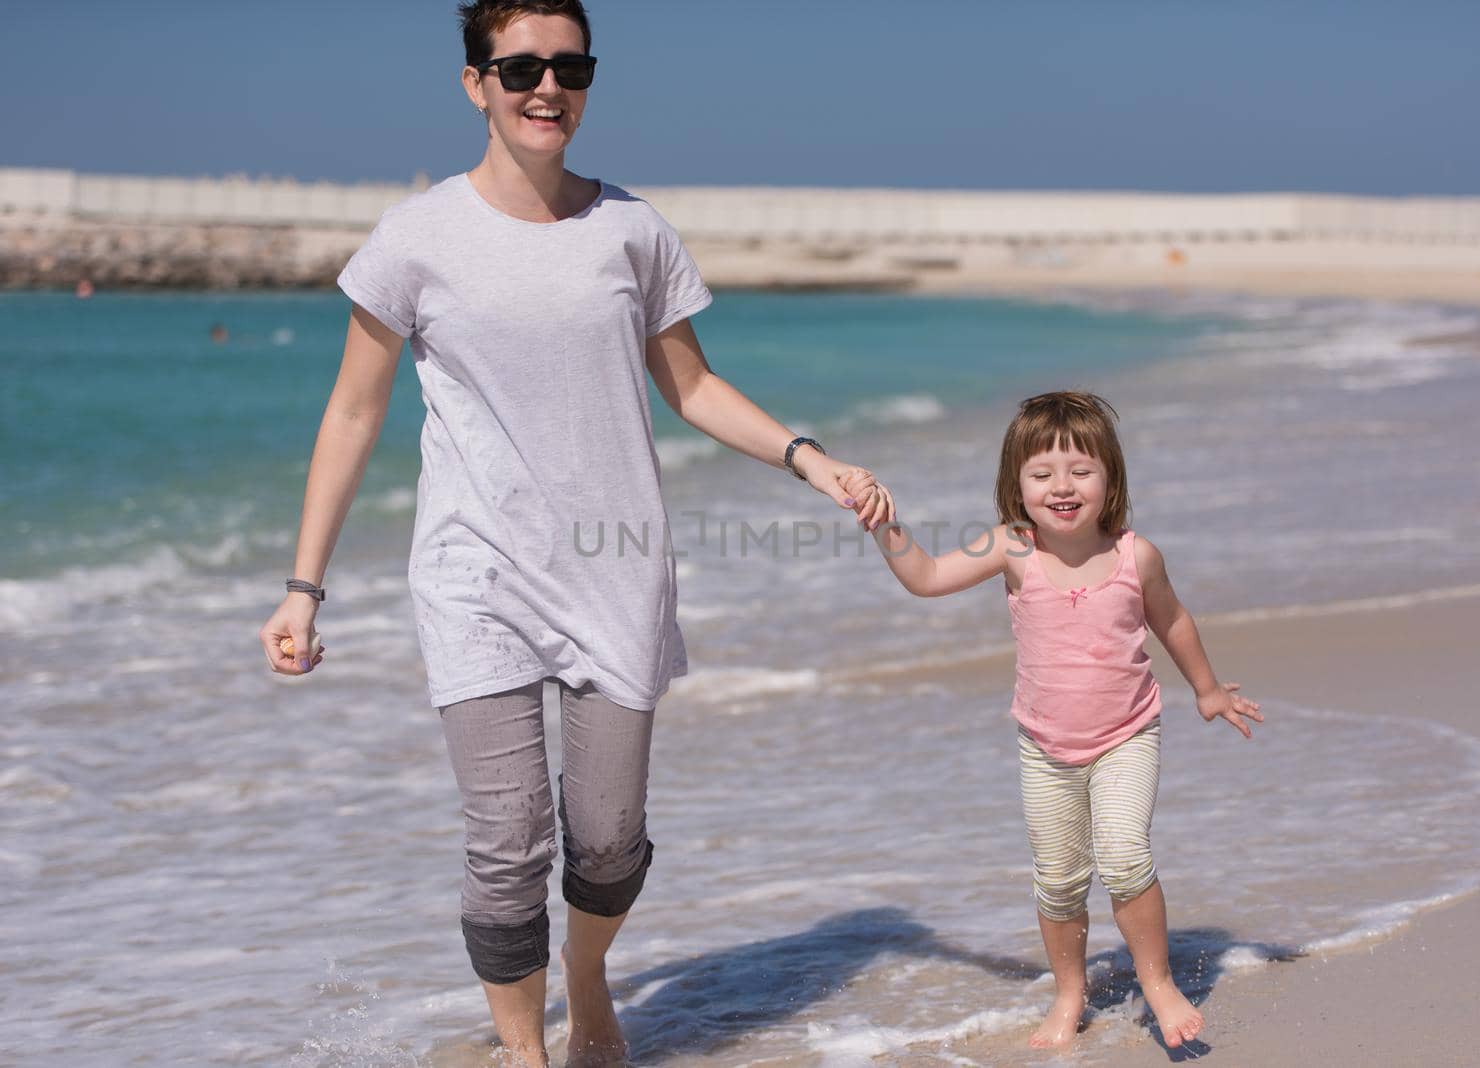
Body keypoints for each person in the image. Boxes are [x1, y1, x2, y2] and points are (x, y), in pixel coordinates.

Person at [255, 2, 890, 1065]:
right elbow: (353, 411)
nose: (546, 86)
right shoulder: (415, 238)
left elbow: (690, 384)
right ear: (475, 83)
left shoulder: (631, 231)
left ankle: (586, 975)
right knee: (506, 846)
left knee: (604, 845)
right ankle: (524, 1051)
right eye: (520, 68)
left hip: (614, 568)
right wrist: (302, 586)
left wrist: (806, 455)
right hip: (475, 573)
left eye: (569, 65)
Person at [864, 391, 1261, 1053]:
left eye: (1081, 470)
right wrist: (883, 523)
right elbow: (928, 577)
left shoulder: (1138, 556)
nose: (1062, 486)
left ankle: (1158, 983)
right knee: (1057, 877)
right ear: (1016, 486)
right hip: (1045, 746)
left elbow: (1172, 620)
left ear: (1111, 479)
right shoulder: (1012, 548)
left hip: (1127, 736)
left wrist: (1208, 688)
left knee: (1126, 858)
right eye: (1041, 474)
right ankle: (1069, 991)